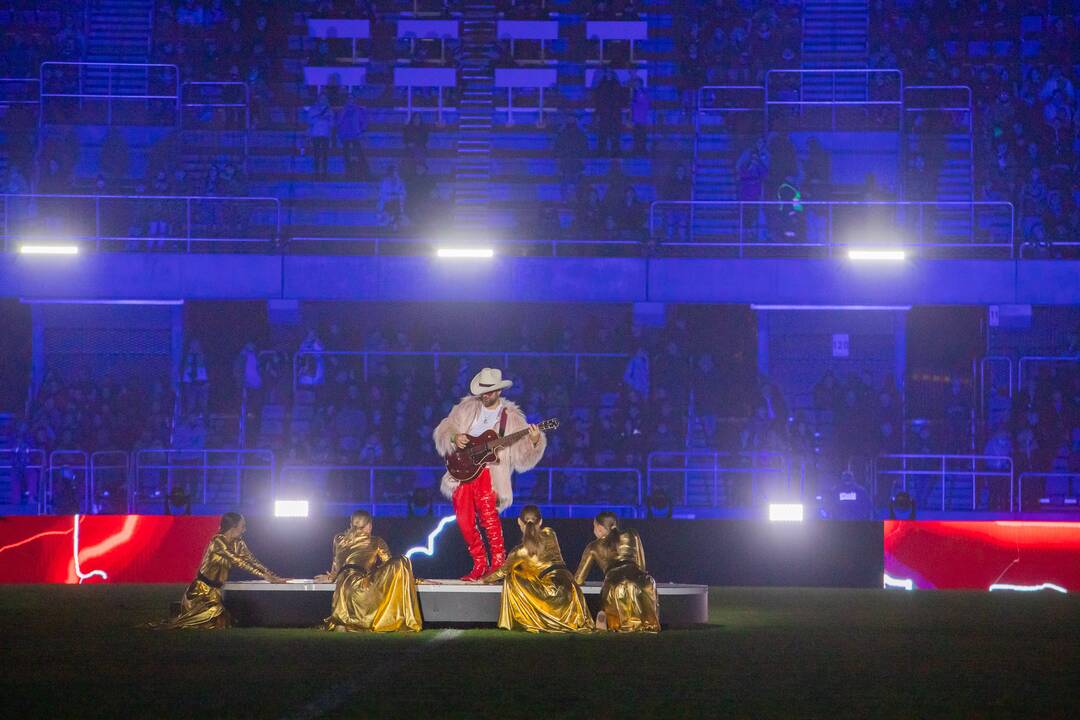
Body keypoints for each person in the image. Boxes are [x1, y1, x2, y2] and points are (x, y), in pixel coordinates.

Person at [433, 368, 546, 581]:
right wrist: (454, 438)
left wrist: (534, 441)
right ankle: (479, 564)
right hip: (463, 472)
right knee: (465, 521)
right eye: (483, 391)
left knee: (489, 519)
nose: (486, 395)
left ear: (499, 391)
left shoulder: (511, 418)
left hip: (489, 474)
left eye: (490, 391)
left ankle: (497, 565)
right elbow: (444, 429)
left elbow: (523, 458)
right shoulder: (465, 409)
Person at [155, 513, 285, 629]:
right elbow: (238, 561)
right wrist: (264, 576)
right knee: (215, 619)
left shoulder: (238, 543)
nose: (244, 530)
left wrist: (271, 575)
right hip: (200, 592)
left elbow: (251, 559)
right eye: (242, 526)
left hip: (215, 592)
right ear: (233, 527)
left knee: (223, 621)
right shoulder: (217, 542)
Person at [481, 505, 591, 633]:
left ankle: (526, 620)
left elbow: (501, 572)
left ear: (519, 522)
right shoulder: (551, 534)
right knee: (525, 571)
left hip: (551, 594)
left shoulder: (519, 552)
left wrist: (483, 580)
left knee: (514, 575)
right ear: (541, 521)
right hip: (569, 590)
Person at [315, 509, 422, 632]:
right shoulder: (376, 541)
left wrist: (331, 577)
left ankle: (345, 623)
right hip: (362, 588)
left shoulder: (338, 539)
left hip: (342, 590)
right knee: (401, 561)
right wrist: (415, 580)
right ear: (368, 525)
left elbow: (336, 566)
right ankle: (392, 620)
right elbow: (392, 569)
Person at [574, 511, 659, 632]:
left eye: (594, 526)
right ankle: (645, 624)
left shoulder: (593, 547)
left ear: (599, 528)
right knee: (642, 586)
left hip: (614, 585)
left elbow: (578, 579)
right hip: (639, 580)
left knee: (617, 593)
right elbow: (641, 564)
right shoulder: (632, 534)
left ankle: (610, 621)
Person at [336, 92, 369, 180]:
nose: (350, 100)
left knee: (359, 155)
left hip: (356, 136)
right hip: (345, 136)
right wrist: (344, 112)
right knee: (346, 156)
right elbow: (338, 122)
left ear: (354, 100)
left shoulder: (359, 109)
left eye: (352, 98)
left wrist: (361, 130)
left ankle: (362, 173)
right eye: (348, 98)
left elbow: (364, 122)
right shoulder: (342, 110)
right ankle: (348, 173)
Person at [307, 93, 333, 178]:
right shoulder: (313, 109)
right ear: (318, 99)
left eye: (324, 98)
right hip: (316, 134)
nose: (323, 100)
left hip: (325, 135)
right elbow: (309, 121)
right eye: (321, 98)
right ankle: (316, 173)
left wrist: (326, 119)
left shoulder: (329, 110)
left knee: (325, 155)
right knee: (316, 155)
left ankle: (324, 172)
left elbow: (332, 123)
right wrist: (319, 118)